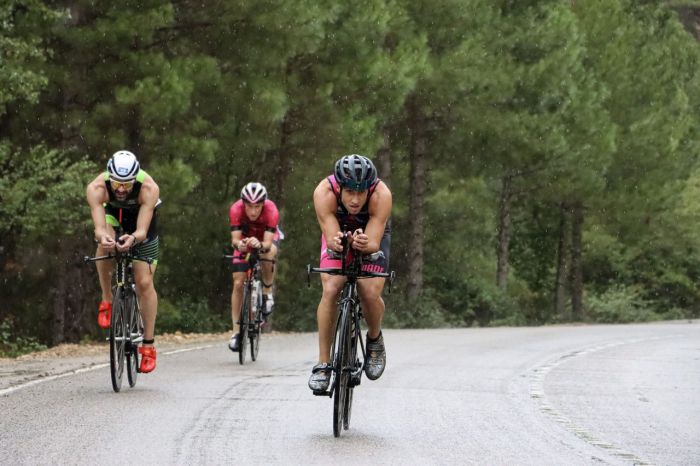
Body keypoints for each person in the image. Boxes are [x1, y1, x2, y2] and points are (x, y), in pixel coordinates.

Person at [308, 154, 392, 392]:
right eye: (349, 192)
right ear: (340, 187)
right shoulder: (323, 193)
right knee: (332, 288)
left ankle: (374, 340)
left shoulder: (381, 195)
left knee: (368, 290)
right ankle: (323, 364)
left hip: (371, 232)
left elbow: (374, 241)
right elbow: (332, 236)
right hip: (339, 229)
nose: (355, 200)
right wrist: (339, 243)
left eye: (361, 192)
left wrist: (365, 243)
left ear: (369, 190)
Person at [86, 150, 161, 373]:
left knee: (144, 283)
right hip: (113, 216)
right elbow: (99, 228)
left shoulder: (149, 188)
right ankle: (107, 299)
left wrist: (134, 238)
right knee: (104, 245)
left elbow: (141, 230)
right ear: (109, 177)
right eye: (116, 183)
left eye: (126, 184)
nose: (120, 189)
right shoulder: (96, 188)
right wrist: (104, 237)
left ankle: (148, 346)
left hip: (141, 224)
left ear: (135, 179)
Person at [228, 182, 282, 352]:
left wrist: (260, 244)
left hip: (265, 239)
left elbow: (267, 243)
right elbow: (235, 240)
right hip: (245, 240)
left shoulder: (271, 210)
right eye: (249, 206)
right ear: (243, 203)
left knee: (268, 254)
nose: (253, 211)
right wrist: (240, 245)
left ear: (263, 204)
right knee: (238, 283)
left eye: (257, 206)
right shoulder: (236, 209)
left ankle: (267, 292)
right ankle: (236, 333)